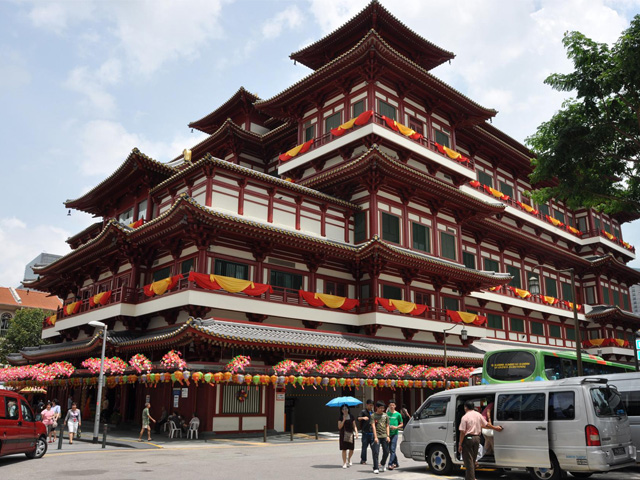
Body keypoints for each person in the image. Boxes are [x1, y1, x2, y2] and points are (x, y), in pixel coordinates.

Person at [459, 400, 503, 480]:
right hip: (477, 439)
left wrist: (460, 444)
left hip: (468, 439)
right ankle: (472, 477)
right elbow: (486, 424)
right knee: (473, 459)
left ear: (465, 407)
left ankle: (471, 479)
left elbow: (462, 432)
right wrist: (495, 428)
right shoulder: (478, 415)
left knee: (468, 461)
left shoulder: (465, 417)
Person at [371, 400, 390, 474]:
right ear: (377, 408)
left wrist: (388, 436)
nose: (382, 409)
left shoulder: (386, 415)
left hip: (384, 435)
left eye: (383, 408)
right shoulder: (373, 416)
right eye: (381, 408)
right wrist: (375, 437)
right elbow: (373, 427)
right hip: (377, 436)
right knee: (376, 452)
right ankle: (376, 468)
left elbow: (387, 426)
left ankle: (382, 463)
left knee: (386, 451)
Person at [338, 404, 358, 468]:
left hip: (350, 434)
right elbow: (339, 427)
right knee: (344, 449)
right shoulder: (340, 417)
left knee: (351, 449)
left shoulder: (351, 416)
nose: (345, 410)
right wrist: (343, 420)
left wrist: (356, 432)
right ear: (341, 410)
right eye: (343, 409)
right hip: (343, 434)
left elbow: (354, 425)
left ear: (348, 409)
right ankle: (344, 463)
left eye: (346, 408)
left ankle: (349, 458)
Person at [386, 399, 404, 470]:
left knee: (392, 449)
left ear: (395, 406)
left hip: (395, 434)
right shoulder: (387, 414)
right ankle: (396, 463)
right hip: (388, 434)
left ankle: (390, 464)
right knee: (390, 450)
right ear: (388, 406)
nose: (392, 407)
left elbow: (402, 424)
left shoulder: (398, 414)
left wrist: (396, 427)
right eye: (390, 405)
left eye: (393, 405)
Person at [357, 399, 374, 465]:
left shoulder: (373, 412)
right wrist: (363, 418)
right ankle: (363, 460)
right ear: (367, 405)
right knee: (364, 447)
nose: (371, 407)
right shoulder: (363, 411)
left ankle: (375, 460)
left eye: (372, 405)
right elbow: (358, 418)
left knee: (374, 448)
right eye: (370, 405)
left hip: (372, 432)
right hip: (365, 432)